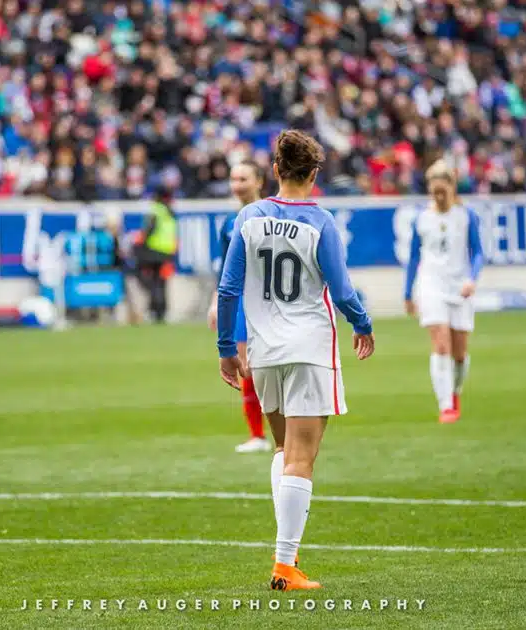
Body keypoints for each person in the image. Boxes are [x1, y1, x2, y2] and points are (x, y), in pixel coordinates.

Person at [216, 130, 375, 591]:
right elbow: (342, 290)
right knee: (302, 458)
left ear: (277, 169)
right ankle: (285, 564)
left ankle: (290, 553)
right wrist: (362, 324)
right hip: (307, 349)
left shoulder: (249, 217)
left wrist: (228, 349)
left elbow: (228, 290)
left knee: (285, 451)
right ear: (314, 172)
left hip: (263, 352)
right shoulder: (320, 221)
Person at [403, 160, 485, 424]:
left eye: (443, 191)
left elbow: (478, 252)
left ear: (452, 188)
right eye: (434, 191)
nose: (438, 196)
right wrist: (407, 293)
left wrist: (472, 279)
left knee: (460, 352)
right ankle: (446, 405)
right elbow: (414, 258)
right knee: (440, 343)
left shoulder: (466, 216)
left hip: (459, 287)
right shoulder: (422, 218)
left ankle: (455, 392)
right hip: (431, 284)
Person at [210, 160, 272, 454]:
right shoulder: (228, 223)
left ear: (259, 181)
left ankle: (286, 432)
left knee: (272, 366)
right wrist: (215, 302)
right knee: (246, 367)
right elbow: (224, 270)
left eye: (243, 178)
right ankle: (257, 435)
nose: (237, 185)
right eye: (234, 179)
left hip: (269, 300)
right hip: (240, 303)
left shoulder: (272, 216)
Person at [135, 188, 178, 323]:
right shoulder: (170, 213)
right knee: (162, 283)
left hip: (153, 251)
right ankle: (162, 311)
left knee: (153, 282)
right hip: (166, 252)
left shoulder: (155, 210)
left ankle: (154, 311)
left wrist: (140, 246)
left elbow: (148, 229)